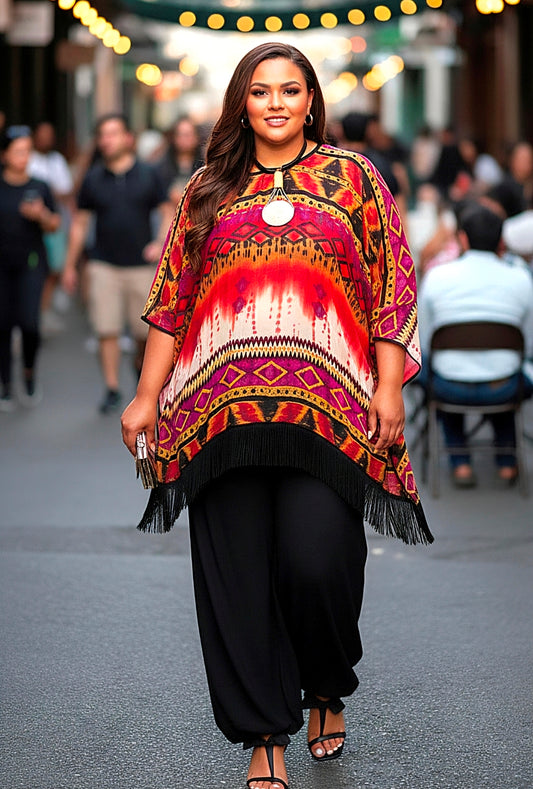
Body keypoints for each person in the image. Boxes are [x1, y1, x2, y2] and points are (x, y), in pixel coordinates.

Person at [121, 43, 432, 789]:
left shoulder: (355, 179)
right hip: (215, 410)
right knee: (236, 575)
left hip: (330, 409)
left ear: (310, 100)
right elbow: (172, 299)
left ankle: (325, 679)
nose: (275, 104)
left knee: (316, 561)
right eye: (259, 92)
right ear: (241, 103)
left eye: (289, 90)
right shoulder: (206, 187)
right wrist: (145, 394)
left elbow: (392, 286)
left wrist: (388, 388)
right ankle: (264, 733)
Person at [62, 113, 173, 414]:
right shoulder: (93, 177)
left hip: (141, 266)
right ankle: (111, 387)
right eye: (103, 135)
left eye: (114, 134)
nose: (107, 140)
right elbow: (80, 224)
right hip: (103, 265)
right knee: (106, 329)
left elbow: (167, 212)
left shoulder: (148, 174)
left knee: (143, 335)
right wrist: (70, 266)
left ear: (128, 139)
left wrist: (159, 243)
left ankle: (142, 377)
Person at [418, 203, 533, 487]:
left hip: (448, 386)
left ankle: (461, 464)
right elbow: (528, 346)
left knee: (440, 368)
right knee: (507, 368)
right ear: (501, 241)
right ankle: (506, 461)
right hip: (507, 386)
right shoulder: (521, 278)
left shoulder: (437, 277)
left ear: (463, 238)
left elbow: (422, 342)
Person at [0, 125, 61, 412]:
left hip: (31, 263)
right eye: (19, 152)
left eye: (28, 151)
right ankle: (6, 385)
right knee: (2, 324)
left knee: (29, 323)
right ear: (5, 155)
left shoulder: (39, 186)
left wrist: (41, 215)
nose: (24, 157)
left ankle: (28, 371)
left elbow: (55, 225)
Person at [29, 121, 75, 334]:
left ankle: (42, 310)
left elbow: (66, 191)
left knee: (54, 267)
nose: (46, 138)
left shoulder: (56, 160)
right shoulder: (28, 158)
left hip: (55, 221)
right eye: (42, 134)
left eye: (50, 134)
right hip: (30, 226)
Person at [154, 116, 204, 205]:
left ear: (196, 137)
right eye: (181, 135)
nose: (184, 139)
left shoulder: (204, 165)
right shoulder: (162, 166)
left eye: (188, 135)